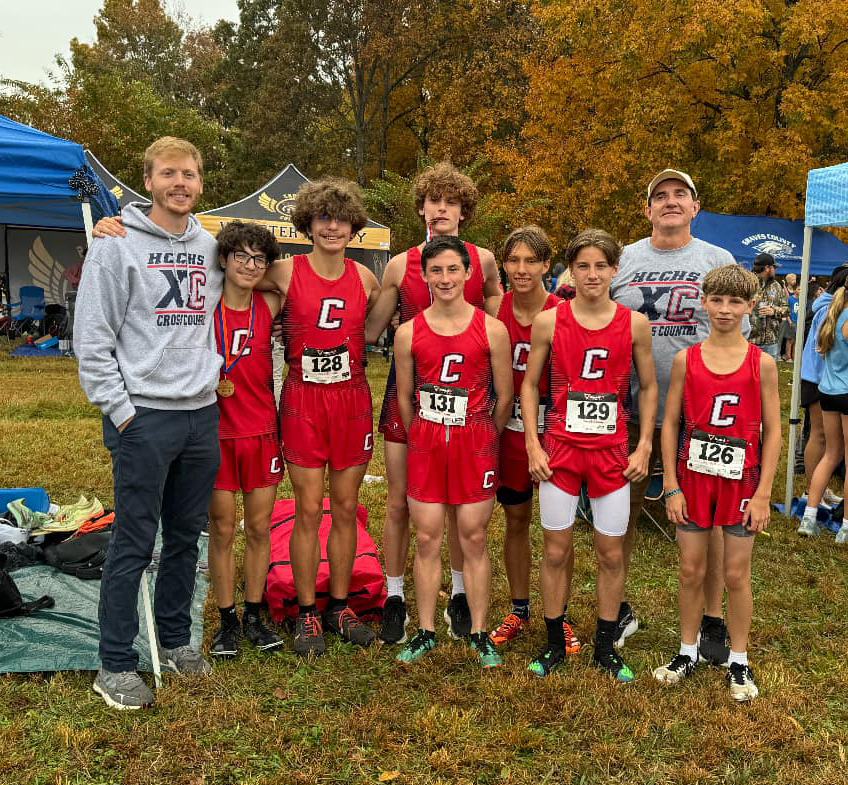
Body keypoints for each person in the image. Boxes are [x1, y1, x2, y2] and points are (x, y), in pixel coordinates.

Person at [76, 137, 222, 709]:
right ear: (149, 181)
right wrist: (122, 411)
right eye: (168, 174)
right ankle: (115, 663)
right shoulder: (115, 246)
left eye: (189, 174)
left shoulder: (211, 247)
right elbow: (92, 339)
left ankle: (176, 640)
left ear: (201, 182)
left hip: (200, 416)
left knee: (186, 539)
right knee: (133, 542)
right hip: (143, 416)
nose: (179, 183)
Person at [364, 162, 502, 645]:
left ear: (464, 211)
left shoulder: (483, 260)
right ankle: (396, 594)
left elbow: (500, 318)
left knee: (460, 505)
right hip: (410, 397)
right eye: (433, 200)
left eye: (451, 201)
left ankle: (460, 594)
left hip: (468, 399)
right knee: (404, 501)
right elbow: (369, 328)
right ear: (421, 207)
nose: (441, 209)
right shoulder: (401, 263)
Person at [610, 168, 739, 666]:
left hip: (700, 413)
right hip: (629, 409)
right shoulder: (622, 259)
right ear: (646, 209)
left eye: (679, 194)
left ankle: (711, 617)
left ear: (695, 205)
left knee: (706, 522)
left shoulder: (717, 260)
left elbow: (734, 333)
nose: (669, 202)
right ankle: (616, 607)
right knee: (619, 516)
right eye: (659, 195)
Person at [522, 228, 657, 680]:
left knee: (610, 553)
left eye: (601, 265)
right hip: (560, 450)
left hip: (611, 453)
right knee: (556, 551)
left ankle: (604, 644)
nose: (593, 274)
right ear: (570, 271)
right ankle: (554, 640)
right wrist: (532, 442)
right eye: (583, 266)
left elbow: (649, 386)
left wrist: (645, 445)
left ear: (615, 269)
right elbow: (528, 384)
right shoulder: (550, 320)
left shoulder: (634, 323)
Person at [259, 177, 381, 656]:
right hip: (304, 401)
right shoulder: (285, 271)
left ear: (354, 226)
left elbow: (372, 330)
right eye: (323, 218)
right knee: (309, 509)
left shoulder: (366, 279)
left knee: (346, 508)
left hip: (351, 402)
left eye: (341, 219)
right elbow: (226, 264)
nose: (332, 226)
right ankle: (307, 612)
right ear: (307, 223)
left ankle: (339, 605)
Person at [654, 264, 780, 701]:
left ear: (749, 307)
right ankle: (687, 650)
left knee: (735, 573)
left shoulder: (761, 363)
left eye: (736, 302)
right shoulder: (685, 360)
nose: (725, 310)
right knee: (691, 569)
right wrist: (671, 484)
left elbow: (774, 432)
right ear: (704, 302)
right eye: (718, 300)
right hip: (693, 480)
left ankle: (739, 661)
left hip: (740, 483)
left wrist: (763, 493)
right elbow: (670, 424)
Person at [392, 236, 512, 668]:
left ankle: (478, 632)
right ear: (424, 275)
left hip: (474, 444)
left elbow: (505, 398)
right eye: (436, 271)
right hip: (426, 443)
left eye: (452, 270)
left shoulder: (491, 329)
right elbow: (405, 399)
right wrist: (422, 435)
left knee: (473, 537)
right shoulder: (408, 332)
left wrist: (482, 435)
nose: (444, 278)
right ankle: (425, 630)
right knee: (426, 537)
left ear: (467, 274)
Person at [483, 226, 580, 654]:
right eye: (513, 260)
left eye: (530, 261)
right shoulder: (493, 310)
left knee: (559, 531)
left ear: (546, 265)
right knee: (517, 520)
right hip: (511, 432)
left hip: (556, 433)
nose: (521, 270)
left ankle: (561, 614)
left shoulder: (565, 311)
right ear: (504, 265)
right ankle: (519, 607)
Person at [207, 221, 284, 658]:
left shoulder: (270, 305)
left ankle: (254, 616)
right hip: (215, 434)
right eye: (241, 256)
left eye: (259, 258)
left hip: (261, 432)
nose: (250, 265)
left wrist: (263, 268)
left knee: (258, 529)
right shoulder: (203, 307)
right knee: (221, 529)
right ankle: (227, 621)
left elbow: (293, 273)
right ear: (223, 259)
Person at [797, 270, 848, 545]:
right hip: (838, 389)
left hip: (827, 388)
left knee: (831, 452)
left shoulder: (831, 314)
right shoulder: (838, 315)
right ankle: (845, 529)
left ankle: (809, 516)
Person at [749, 253, 788, 360]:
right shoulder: (748, 283)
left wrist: (774, 311)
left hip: (771, 342)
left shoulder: (777, 286)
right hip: (749, 341)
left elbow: (786, 310)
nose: (775, 270)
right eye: (774, 267)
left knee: (768, 375)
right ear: (767, 268)